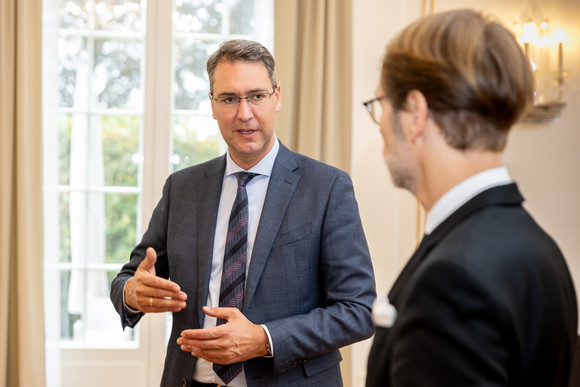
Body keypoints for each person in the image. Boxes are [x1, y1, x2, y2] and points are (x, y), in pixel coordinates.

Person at [110, 39, 376, 387]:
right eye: (230, 99)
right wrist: (132, 293)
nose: (244, 113)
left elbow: (358, 311)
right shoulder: (183, 188)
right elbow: (128, 279)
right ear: (212, 105)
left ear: (277, 97)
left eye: (256, 96)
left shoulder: (327, 187)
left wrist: (264, 339)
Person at [363, 9, 578, 387]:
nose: (379, 123)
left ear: (415, 113)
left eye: (381, 104)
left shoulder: (452, 282)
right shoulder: (542, 248)